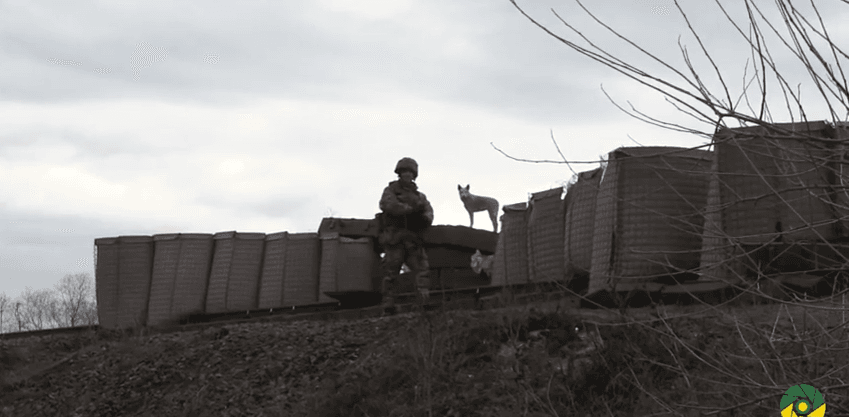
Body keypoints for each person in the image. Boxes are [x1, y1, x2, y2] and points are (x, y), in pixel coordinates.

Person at [377, 157, 434, 315]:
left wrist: (423, 218)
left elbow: (429, 213)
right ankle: (388, 304)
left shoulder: (420, 197)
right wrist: (410, 210)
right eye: (404, 172)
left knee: (422, 271)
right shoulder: (391, 191)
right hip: (395, 238)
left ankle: (423, 302)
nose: (407, 175)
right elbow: (388, 205)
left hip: (413, 239)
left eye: (410, 172)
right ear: (399, 174)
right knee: (391, 273)